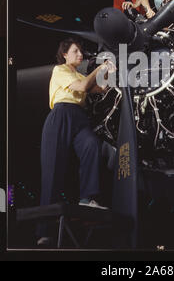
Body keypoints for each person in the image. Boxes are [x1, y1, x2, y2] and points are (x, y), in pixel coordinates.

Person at [36, 37, 116, 245]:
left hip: (79, 117)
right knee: (53, 169)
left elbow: (101, 89)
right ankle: (44, 231)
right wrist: (100, 69)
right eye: (76, 52)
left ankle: (87, 199)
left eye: (81, 52)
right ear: (64, 54)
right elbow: (82, 87)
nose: (80, 55)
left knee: (91, 145)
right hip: (61, 115)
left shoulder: (79, 73)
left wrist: (109, 72)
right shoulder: (60, 70)